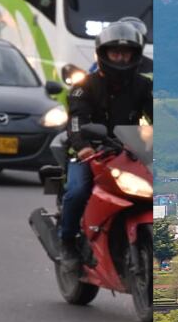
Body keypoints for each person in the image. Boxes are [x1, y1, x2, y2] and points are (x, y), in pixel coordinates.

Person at [60, 20, 152, 268]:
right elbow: (76, 122)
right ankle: (67, 242)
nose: (121, 59)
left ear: (135, 55)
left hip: (129, 153)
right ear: (103, 54)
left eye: (126, 53)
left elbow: (157, 115)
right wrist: (83, 147)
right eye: (115, 53)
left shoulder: (144, 86)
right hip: (90, 153)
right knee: (78, 191)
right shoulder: (84, 87)